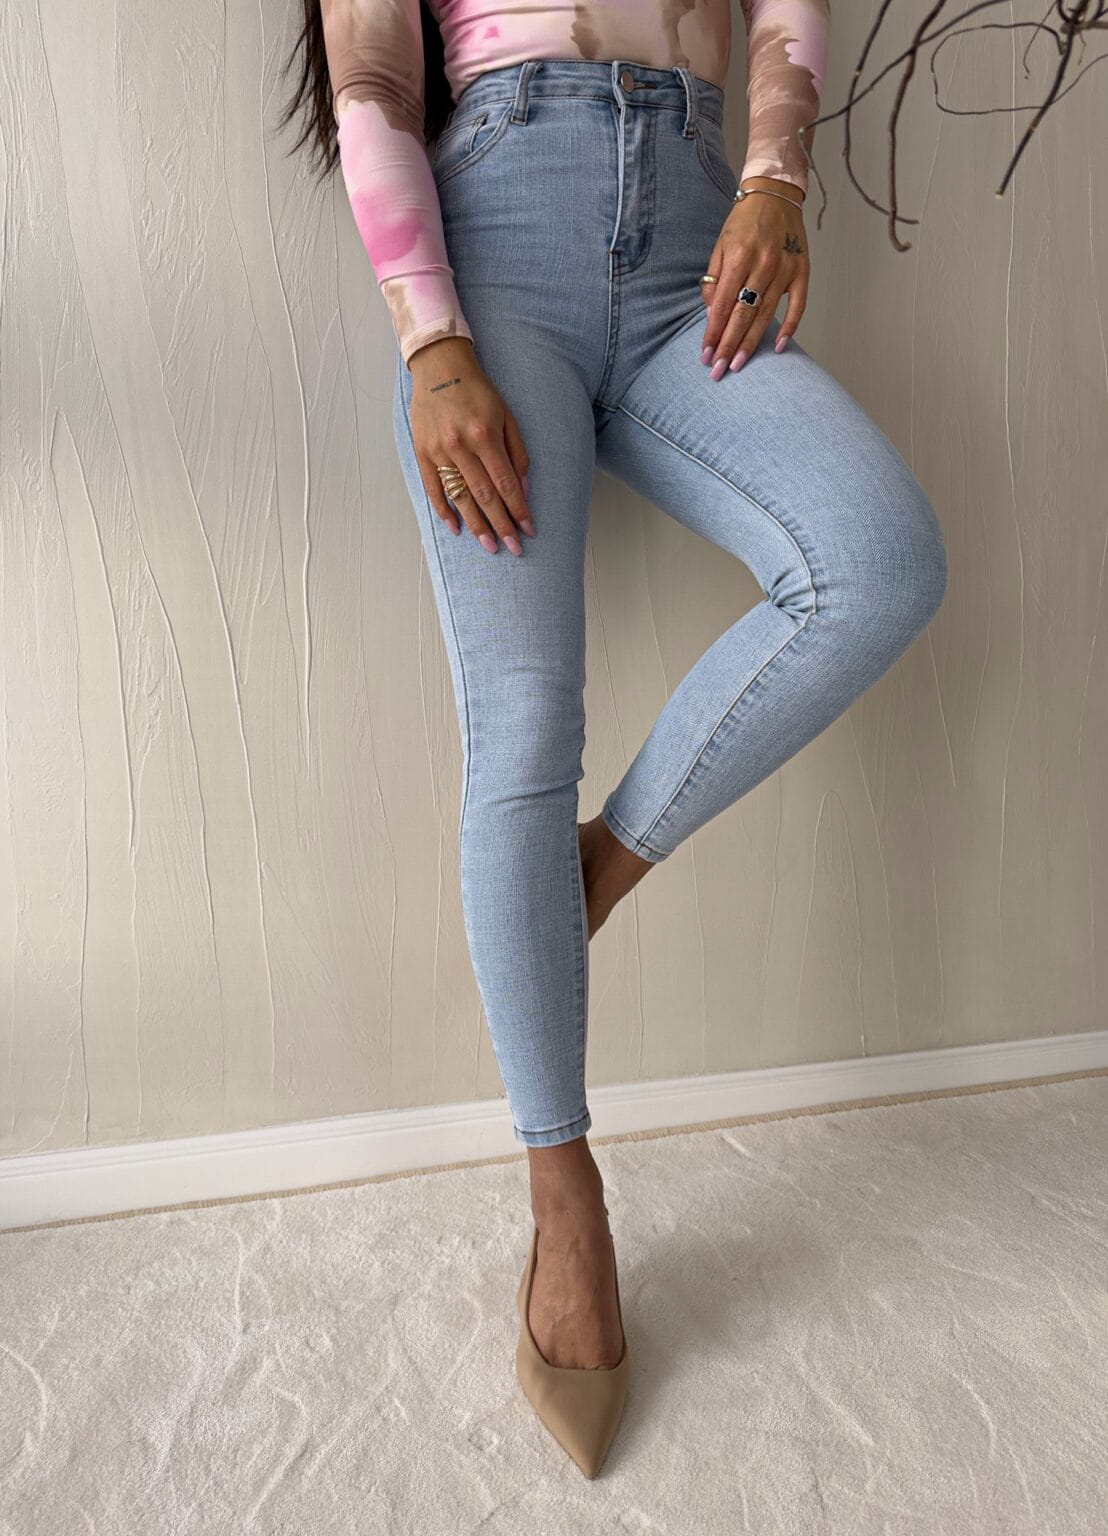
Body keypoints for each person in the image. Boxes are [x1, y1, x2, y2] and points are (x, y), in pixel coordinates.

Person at [292, 0, 948, 1478]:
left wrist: (776, 179)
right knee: (525, 725)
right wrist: (433, 347)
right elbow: (374, 80)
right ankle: (563, 1193)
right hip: (496, 258)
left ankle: (591, 868)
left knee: (876, 562)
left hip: (693, 256)